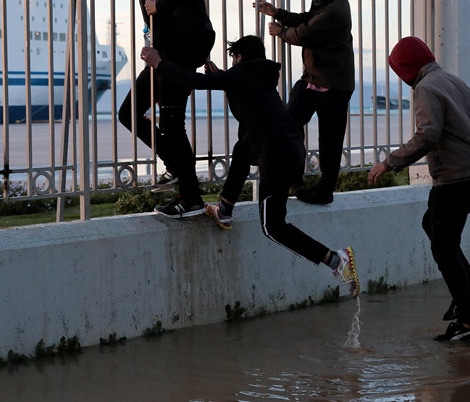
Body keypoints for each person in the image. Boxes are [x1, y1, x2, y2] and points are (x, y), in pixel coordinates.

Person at [140, 36, 360, 297]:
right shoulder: (258, 75)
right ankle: (224, 209)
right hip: (285, 147)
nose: (233, 64)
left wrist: (160, 63)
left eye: (234, 58)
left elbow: (196, 82)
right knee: (242, 147)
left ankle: (336, 260)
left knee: (272, 226)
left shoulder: (243, 73)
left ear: (240, 57)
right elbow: (233, 85)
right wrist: (222, 75)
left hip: (275, 153)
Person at [367, 36, 470, 342]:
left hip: (455, 175)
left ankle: (468, 321)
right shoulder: (452, 80)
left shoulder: (425, 88)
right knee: (435, 228)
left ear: (405, 68)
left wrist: (389, 163)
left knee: (443, 247)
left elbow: (428, 135)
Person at [119, 0, 216, 219]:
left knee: (172, 124)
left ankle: (191, 198)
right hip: (160, 60)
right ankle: (173, 163)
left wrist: (159, 3)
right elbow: (152, 27)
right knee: (128, 113)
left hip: (182, 56)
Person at [255, 0, 354, 205]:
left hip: (334, 84)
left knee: (329, 141)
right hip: (312, 79)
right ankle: (294, 177)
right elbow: (306, 19)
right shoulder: (322, 3)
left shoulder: (336, 11)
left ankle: (324, 191)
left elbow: (305, 34)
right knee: (289, 123)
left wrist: (281, 32)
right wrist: (277, 12)